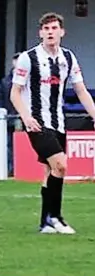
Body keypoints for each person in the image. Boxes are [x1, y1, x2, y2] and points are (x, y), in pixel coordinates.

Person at [10, 12, 95, 234]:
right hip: (37, 124)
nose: (50, 32)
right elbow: (15, 92)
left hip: (58, 122)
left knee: (50, 171)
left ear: (61, 32)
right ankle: (56, 217)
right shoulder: (28, 58)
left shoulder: (68, 58)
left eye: (54, 28)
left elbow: (81, 90)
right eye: (46, 29)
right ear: (40, 33)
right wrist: (27, 117)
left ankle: (44, 223)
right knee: (61, 165)